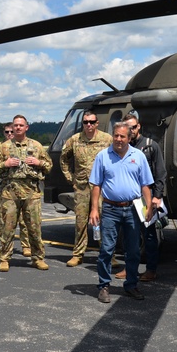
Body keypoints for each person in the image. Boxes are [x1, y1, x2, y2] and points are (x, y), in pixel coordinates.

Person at [89, 121, 154, 303]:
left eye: (122, 136)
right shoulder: (103, 156)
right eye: (116, 135)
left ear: (129, 137)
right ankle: (103, 286)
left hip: (132, 209)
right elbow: (96, 185)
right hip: (110, 209)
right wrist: (94, 209)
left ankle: (131, 285)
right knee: (107, 249)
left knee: (133, 251)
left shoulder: (138, 156)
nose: (118, 139)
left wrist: (149, 207)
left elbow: (145, 184)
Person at [0, 115, 53, 272]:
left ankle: (38, 258)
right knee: (7, 227)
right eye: (15, 125)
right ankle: (4, 258)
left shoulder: (37, 146)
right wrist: (5, 163)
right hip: (10, 192)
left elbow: (49, 166)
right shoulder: (2, 147)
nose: (17, 128)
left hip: (31, 192)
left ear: (26, 127)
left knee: (34, 227)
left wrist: (39, 163)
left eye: (21, 125)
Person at [113, 114, 166, 281]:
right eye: (128, 128)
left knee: (149, 236)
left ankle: (151, 270)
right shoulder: (121, 148)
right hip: (128, 199)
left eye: (134, 127)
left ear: (139, 126)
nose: (132, 131)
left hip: (145, 198)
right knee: (129, 236)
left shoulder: (151, 146)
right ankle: (130, 269)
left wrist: (156, 198)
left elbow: (160, 174)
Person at [59, 111, 112, 267]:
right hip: (81, 187)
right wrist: (70, 178)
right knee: (81, 221)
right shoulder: (75, 140)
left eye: (91, 122)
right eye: (85, 122)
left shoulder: (107, 140)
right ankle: (78, 254)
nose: (88, 125)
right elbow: (63, 159)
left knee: (103, 220)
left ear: (97, 123)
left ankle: (108, 254)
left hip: (101, 187)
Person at [0, 123, 30, 257]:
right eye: (6, 132)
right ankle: (4, 248)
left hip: (24, 188)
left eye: (11, 132)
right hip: (5, 188)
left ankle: (26, 245)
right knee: (5, 221)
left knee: (24, 220)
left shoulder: (25, 146)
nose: (9, 134)